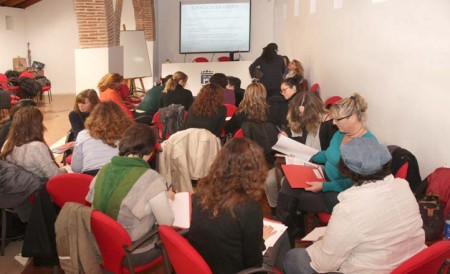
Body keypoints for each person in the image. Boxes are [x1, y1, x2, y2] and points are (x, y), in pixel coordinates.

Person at [284, 138, 426, 274]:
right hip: (410, 263)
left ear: (347, 170)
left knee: (293, 258)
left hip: (376, 268)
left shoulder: (349, 208)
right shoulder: (403, 186)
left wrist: (322, 244)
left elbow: (323, 264)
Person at [276, 93, 376, 246]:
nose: (334, 123)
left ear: (353, 117)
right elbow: (327, 155)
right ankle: (282, 235)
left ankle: (280, 237)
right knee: (289, 181)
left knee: (290, 199)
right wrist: (302, 154)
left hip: (339, 193)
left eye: (338, 119)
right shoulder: (340, 134)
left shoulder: (366, 143)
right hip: (324, 177)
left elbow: (354, 183)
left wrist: (323, 186)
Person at [188, 137, 288, 273]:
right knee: (282, 235)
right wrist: (262, 240)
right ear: (255, 169)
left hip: (203, 265)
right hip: (240, 270)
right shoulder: (249, 208)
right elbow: (254, 263)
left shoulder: (200, 195)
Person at [86, 123, 174, 267]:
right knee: (179, 239)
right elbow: (167, 222)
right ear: (150, 151)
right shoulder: (151, 178)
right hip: (132, 253)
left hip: (100, 247)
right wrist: (168, 200)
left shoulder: (104, 169)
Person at [265, 92, 337, 215]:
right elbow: (293, 134)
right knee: (269, 180)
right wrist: (283, 136)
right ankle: (277, 213)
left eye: (302, 113)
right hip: (300, 161)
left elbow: (329, 157)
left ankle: (289, 220)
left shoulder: (330, 125)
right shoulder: (304, 121)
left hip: (319, 166)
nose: (300, 117)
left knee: (286, 183)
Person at [0, 106, 67, 179]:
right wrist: (65, 170)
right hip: (38, 187)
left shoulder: (8, 143)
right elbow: (54, 175)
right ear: (36, 125)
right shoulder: (36, 146)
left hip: (16, 187)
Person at [71, 101, 132, 176]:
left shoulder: (83, 135)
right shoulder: (128, 133)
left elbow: (76, 168)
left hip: (92, 179)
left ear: (93, 117)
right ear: (122, 117)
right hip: (121, 176)